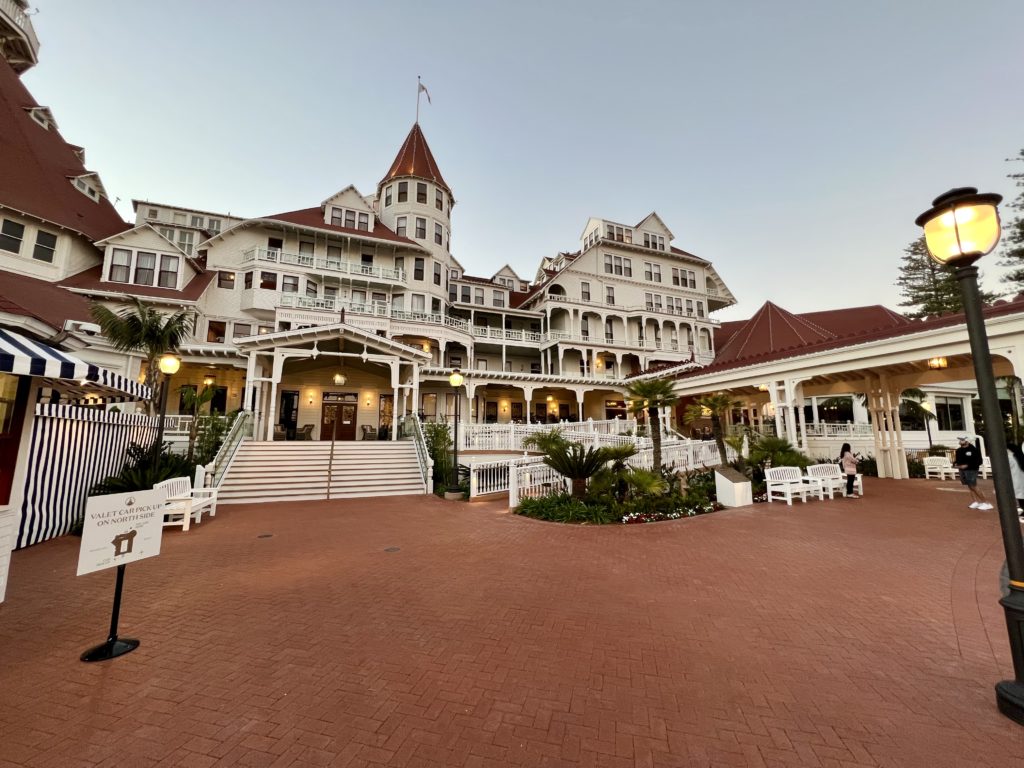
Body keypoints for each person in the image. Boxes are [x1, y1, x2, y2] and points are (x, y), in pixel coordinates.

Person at [955, 435, 991, 510]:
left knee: (973, 486)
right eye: (960, 440)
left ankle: (986, 503)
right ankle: (975, 502)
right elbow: (958, 460)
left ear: (968, 441)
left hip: (972, 469)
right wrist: (955, 464)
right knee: (969, 486)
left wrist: (967, 465)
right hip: (962, 470)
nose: (960, 441)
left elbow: (979, 461)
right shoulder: (958, 450)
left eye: (962, 440)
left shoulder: (974, 450)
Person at [1007, 443, 1024, 518]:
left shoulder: (1010, 457)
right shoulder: (1018, 456)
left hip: (1015, 479)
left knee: (1014, 496)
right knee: (1021, 497)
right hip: (1020, 478)